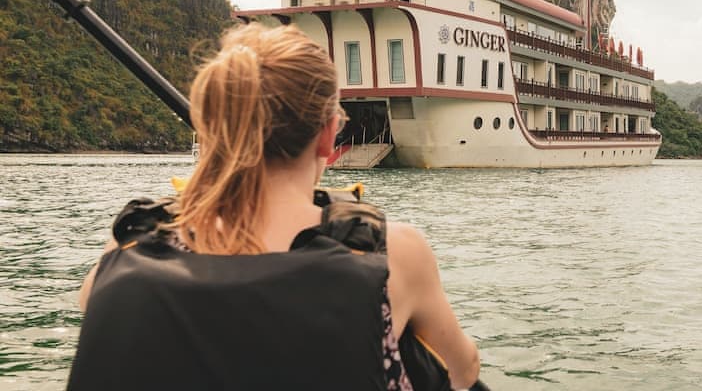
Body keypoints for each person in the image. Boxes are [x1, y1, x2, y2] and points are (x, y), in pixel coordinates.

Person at [71, 22, 481, 390]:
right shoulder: (391, 253)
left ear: (214, 130)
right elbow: (462, 373)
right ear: (327, 136)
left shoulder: (129, 244)